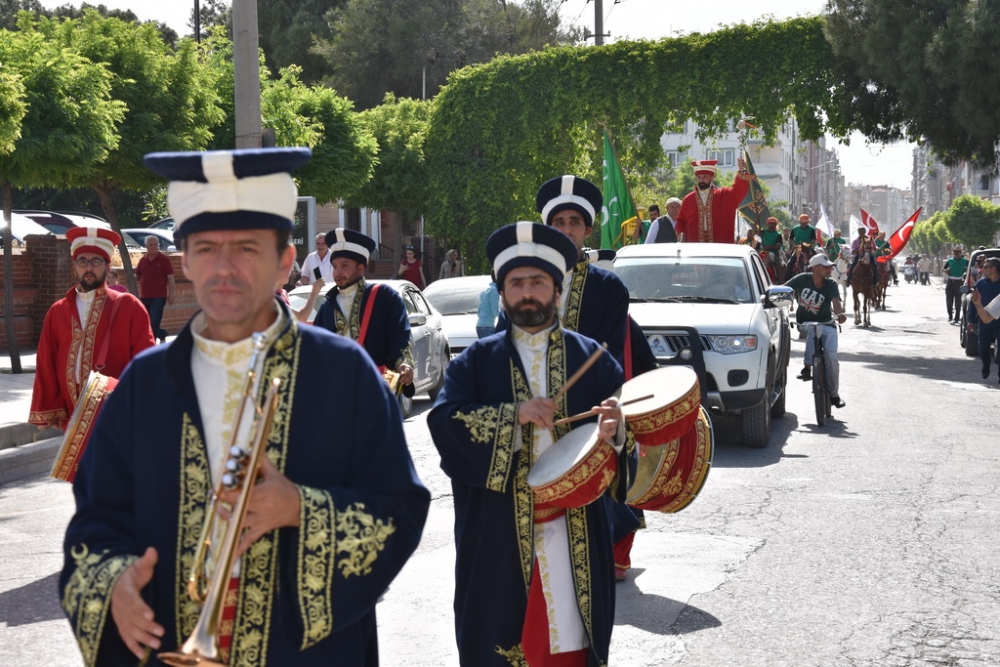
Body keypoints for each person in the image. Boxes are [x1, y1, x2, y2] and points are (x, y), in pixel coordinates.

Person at [59, 147, 430, 666]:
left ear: (284, 262)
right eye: (207, 248)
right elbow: (96, 520)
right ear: (184, 260)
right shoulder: (145, 383)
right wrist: (112, 584)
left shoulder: (345, 373)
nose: (225, 268)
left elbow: (400, 508)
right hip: (169, 640)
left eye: (248, 249)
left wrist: (301, 508)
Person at [428, 221, 635, 667]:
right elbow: (444, 423)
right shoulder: (474, 363)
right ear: (502, 294)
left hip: (576, 530)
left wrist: (617, 431)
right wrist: (513, 416)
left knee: (571, 644)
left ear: (557, 292)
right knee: (497, 641)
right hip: (497, 537)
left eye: (538, 282)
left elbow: (629, 443)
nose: (527, 291)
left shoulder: (592, 359)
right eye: (516, 283)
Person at [29, 227, 155, 431]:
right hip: (71, 412)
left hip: (115, 412)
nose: (89, 267)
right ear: (75, 267)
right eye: (82, 261)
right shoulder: (57, 311)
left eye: (96, 261)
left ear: (107, 267)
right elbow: (46, 361)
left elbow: (145, 360)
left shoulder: (129, 306)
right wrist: (49, 407)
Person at [315, 229, 416, 395]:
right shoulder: (327, 307)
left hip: (377, 392)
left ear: (361, 268)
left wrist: (403, 364)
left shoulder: (385, 297)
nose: (337, 272)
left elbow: (400, 337)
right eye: (334, 266)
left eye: (345, 265)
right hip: (337, 395)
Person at [785, 253, 848, 408]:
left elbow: (835, 302)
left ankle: (834, 395)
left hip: (828, 324)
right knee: (814, 328)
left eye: (830, 267)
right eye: (825, 267)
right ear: (815, 268)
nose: (829, 269)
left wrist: (839, 314)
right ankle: (807, 367)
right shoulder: (801, 279)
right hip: (806, 324)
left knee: (831, 358)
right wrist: (766, 297)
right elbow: (784, 288)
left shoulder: (831, 284)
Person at [674, 158, 750, 243]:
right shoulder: (688, 199)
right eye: (699, 177)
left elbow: (739, 191)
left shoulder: (723, 195)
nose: (701, 180)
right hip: (695, 249)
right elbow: (680, 220)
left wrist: (742, 171)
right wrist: (681, 233)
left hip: (720, 248)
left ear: (712, 177)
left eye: (705, 177)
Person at [135, 233, 175, 343]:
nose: (153, 247)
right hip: (144, 296)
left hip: (159, 297)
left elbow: (170, 278)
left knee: (153, 323)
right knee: (146, 322)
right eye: (151, 244)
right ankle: (162, 333)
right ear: (146, 246)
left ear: (158, 245)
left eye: (155, 244)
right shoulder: (143, 260)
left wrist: (172, 294)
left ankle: (150, 347)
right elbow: (137, 276)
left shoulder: (164, 260)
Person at [967, 257, 1000, 381]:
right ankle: (986, 365)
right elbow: (973, 302)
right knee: (983, 348)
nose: (982, 269)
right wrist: (971, 320)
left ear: (993, 268)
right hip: (985, 319)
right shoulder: (981, 283)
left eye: (985, 267)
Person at [944, 247, 968, 323]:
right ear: (953, 253)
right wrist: (946, 271)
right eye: (955, 252)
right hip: (950, 282)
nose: (956, 253)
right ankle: (950, 316)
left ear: (961, 253)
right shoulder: (950, 261)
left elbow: (971, 267)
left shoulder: (965, 261)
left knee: (958, 302)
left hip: (959, 282)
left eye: (958, 252)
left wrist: (966, 271)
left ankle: (957, 318)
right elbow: (944, 268)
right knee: (949, 300)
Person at [760, 216, 785, 282]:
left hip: (774, 253)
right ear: (767, 224)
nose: (771, 225)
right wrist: (756, 221)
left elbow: (778, 246)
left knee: (779, 266)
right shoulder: (763, 232)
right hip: (764, 252)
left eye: (773, 223)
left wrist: (769, 247)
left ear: (775, 225)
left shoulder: (778, 235)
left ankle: (781, 283)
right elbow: (754, 231)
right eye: (770, 223)